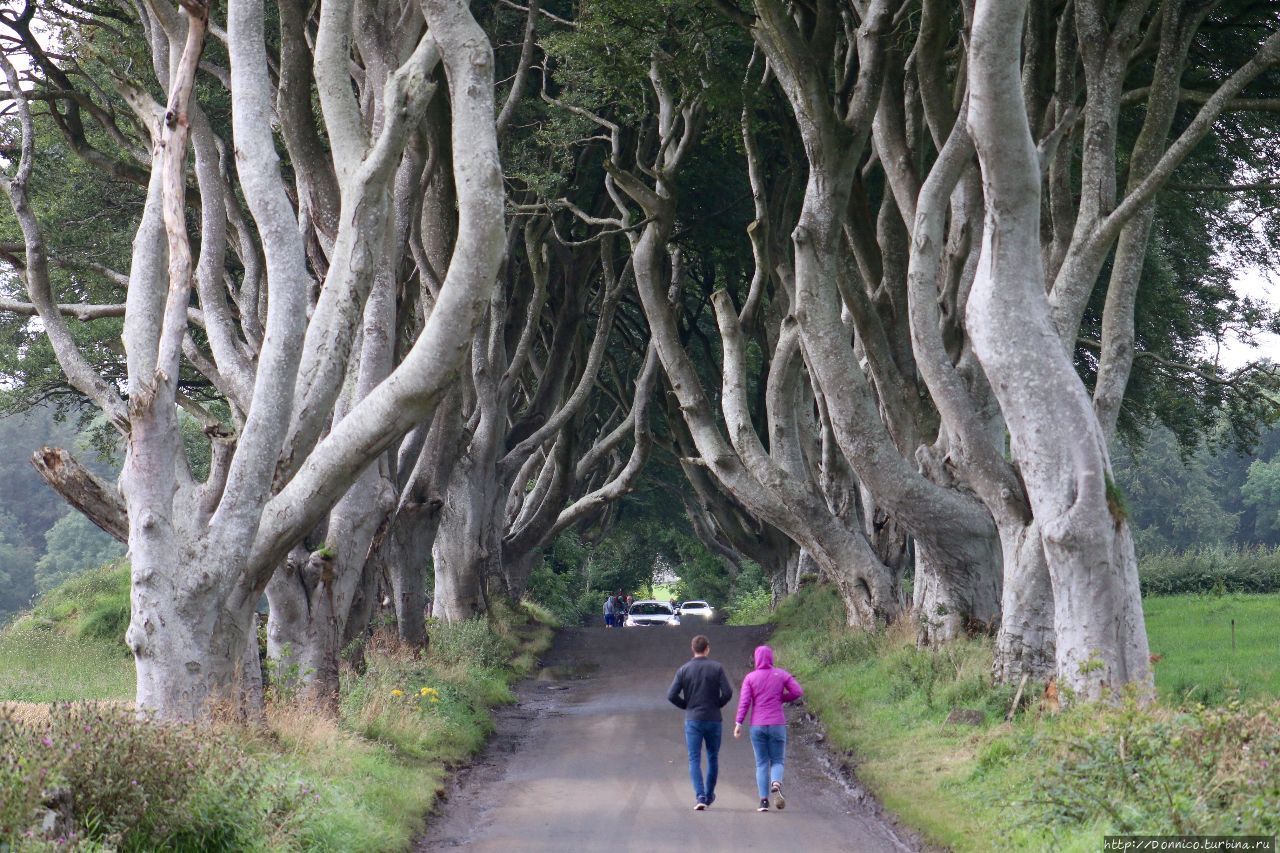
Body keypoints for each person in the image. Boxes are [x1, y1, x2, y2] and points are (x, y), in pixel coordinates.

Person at [733, 645, 803, 812]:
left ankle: (763, 801)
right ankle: (776, 783)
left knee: (761, 763)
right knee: (777, 760)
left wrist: (738, 723)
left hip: (757, 725)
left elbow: (744, 702)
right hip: (777, 724)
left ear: (756, 659)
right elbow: (798, 691)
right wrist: (782, 698)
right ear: (771, 658)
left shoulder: (750, 678)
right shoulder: (781, 674)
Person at [667, 634, 733, 811]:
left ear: (692, 648)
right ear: (707, 648)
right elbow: (727, 692)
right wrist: (717, 704)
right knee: (713, 757)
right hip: (713, 719)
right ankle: (710, 794)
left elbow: (671, 695)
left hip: (693, 719)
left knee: (694, 758)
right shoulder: (717, 668)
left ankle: (700, 796)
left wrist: (686, 706)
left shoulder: (684, 670)